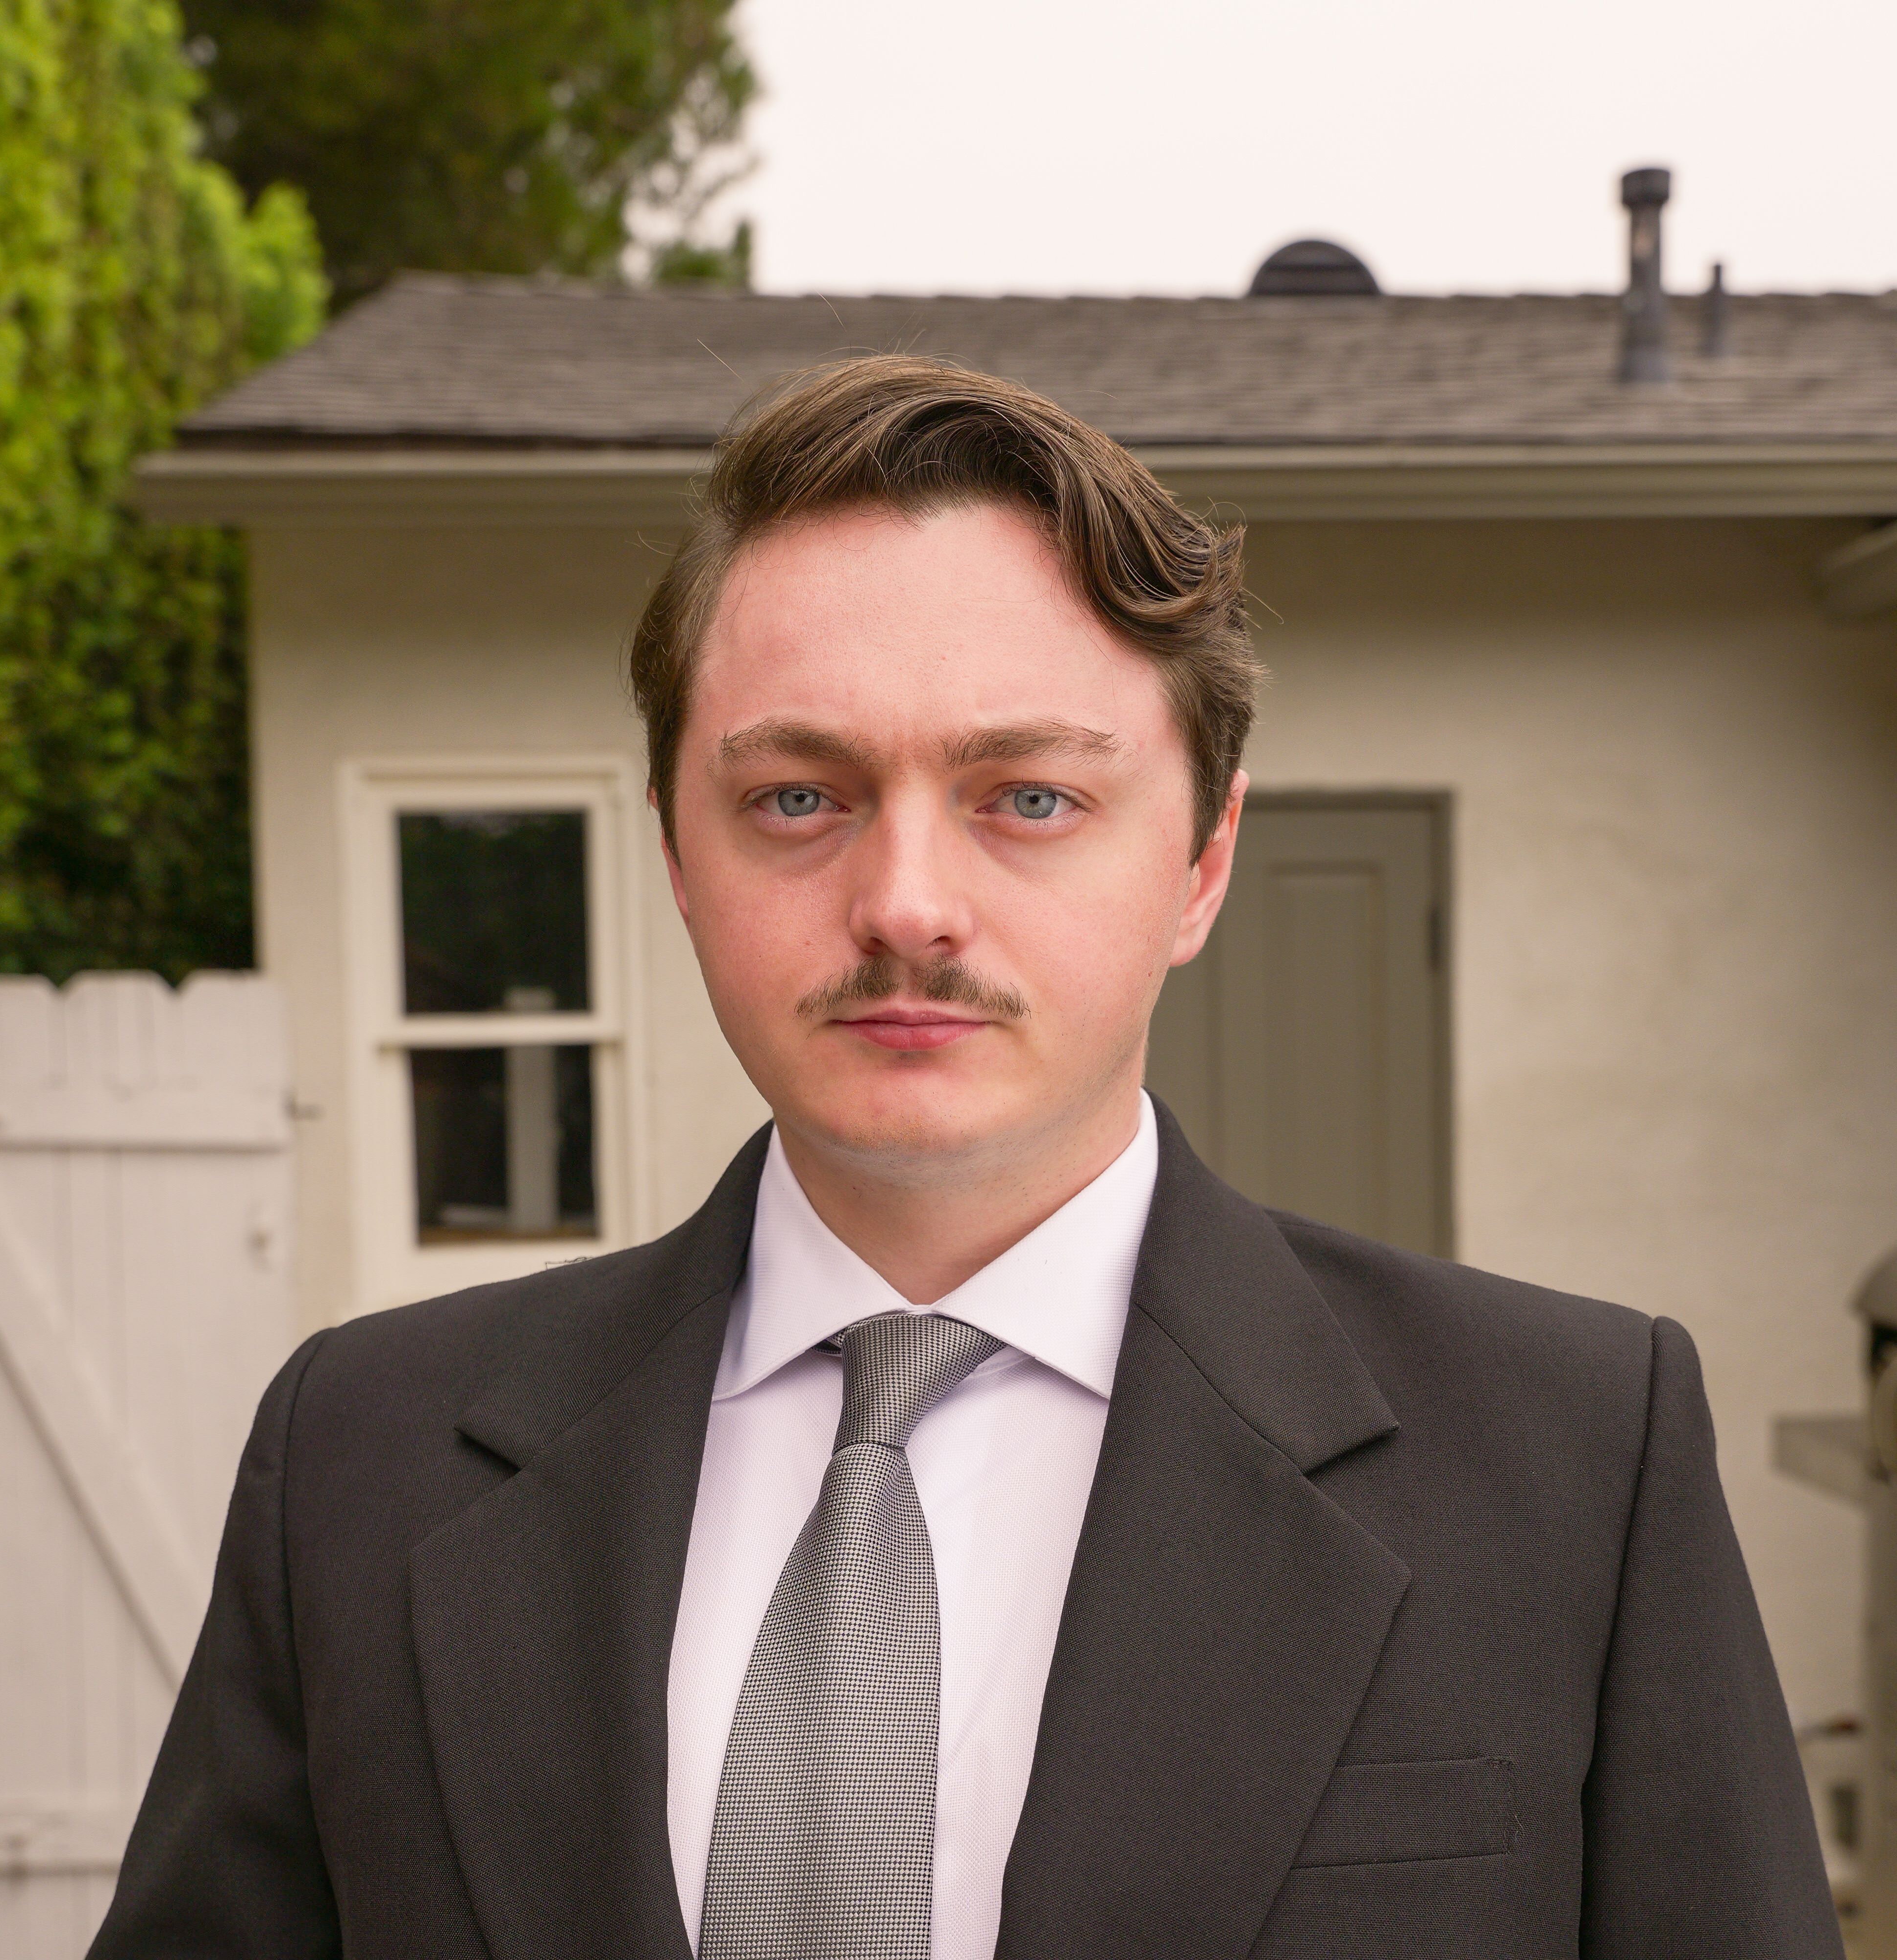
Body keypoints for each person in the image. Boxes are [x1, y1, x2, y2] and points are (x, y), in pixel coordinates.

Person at [91, 356, 1841, 1960]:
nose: (907, 904)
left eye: (1029, 797)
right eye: (798, 797)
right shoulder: (363, 1460)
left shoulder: (1570, 1462)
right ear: (679, 856)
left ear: (1204, 862)